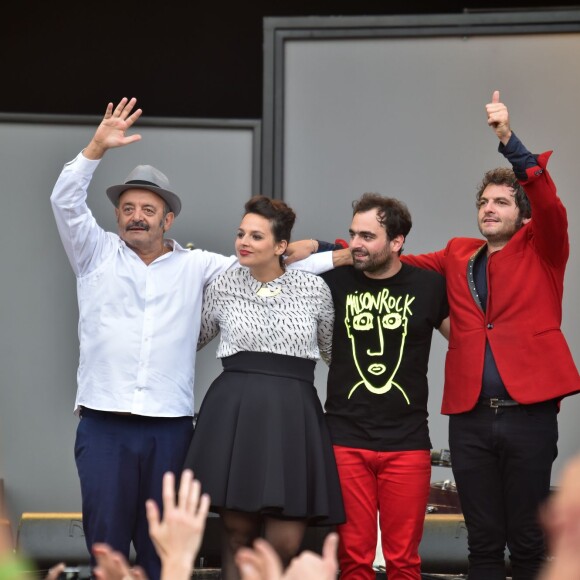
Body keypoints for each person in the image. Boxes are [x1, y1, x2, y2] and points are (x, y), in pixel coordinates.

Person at [50, 97, 343, 580]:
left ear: (168, 221)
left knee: (164, 549)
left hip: (169, 428)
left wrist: (337, 254)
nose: (136, 216)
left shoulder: (199, 265)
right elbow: (64, 201)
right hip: (104, 425)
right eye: (127, 208)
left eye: (149, 209)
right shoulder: (94, 253)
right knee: (105, 545)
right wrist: (95, 149)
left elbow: (269, 264)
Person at [399, 91, 580, 579]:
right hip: (471, 419)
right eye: (483, 202)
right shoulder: (459, 253)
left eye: (501, 201)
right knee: (480, 544)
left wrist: (506, 138)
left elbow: (546, 198)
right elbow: (399, 264)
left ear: (521, 214)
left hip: (529, 417)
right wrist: (332, 250)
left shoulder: (545, 246)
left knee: (525, 542)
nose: (489, 208)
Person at [183, 195, 345, 579]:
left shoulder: (313, 289)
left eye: (256, 236)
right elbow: (191, 339)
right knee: (237, 534)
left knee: (287, 541)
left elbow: (331, 353)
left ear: (281, 246)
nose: (244, 242)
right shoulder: (222, 283)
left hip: (294, 414)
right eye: (241, 233)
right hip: (233, 412)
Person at [319, 194, 449, 579]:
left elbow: (469, 341)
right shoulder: (335, 280)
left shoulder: (428, 287)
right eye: (352, 234)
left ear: (397, 242)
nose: (356, 243)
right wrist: (326, 250)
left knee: (404, 562)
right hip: (345, 438)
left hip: (407, 442)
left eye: (367, 236)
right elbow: (283, 259)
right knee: (353, 561)